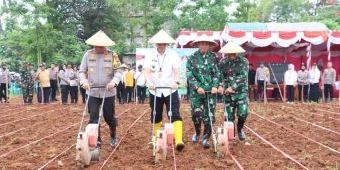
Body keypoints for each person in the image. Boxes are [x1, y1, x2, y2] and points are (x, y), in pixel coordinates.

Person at [79, 30, 122, 147]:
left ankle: (113, 135)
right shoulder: (87, 55)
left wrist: (113, 82)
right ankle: (97, 140)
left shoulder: (113, 55)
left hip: (108, 92)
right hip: (92, 91)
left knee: (109, 118)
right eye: (97, 45)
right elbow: (81, 72)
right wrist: (83, 82)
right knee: (93, 118)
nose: (99, 47)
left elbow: (119, 72)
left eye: (101, 46)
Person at [144, 29, 185, 151]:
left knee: (174, 114)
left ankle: (178, 140)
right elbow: (146, 70)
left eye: (163, 43)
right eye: (159, 43)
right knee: (155, 114)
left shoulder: (173, 54)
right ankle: (156, 138)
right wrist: (149, 82)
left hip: (170, 89)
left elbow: (176, 70)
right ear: (156, 44)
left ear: (166, 44)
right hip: (155, 90)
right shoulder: (150, 55)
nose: (161, 45)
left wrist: (176, 82)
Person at [186, 35, 220, 148]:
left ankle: (206, 138)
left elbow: (217, 73)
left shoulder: (214, 57)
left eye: (206, 44)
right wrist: (197, 87)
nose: (204, 46)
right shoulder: (192, 58)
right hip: (197, 93)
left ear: (210, 46)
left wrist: (215, 85)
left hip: (211, 92)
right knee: (197, 114)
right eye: (201, 44)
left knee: (209, 115)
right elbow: (189, 74)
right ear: (198, 45)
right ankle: (197, 131)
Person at [218, 41, 249, 141]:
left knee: (242, 113)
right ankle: (231, 136)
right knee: (229, 116)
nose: (231, 55)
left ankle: (240, 129)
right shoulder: (223, 62)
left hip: (241, 92)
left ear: (236, 52)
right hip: (227, 94)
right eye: (229, 53)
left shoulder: (244, 61)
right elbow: (220, 76)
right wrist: (220, 85)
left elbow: (243, 76)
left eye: (233, 53)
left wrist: (233, 87)